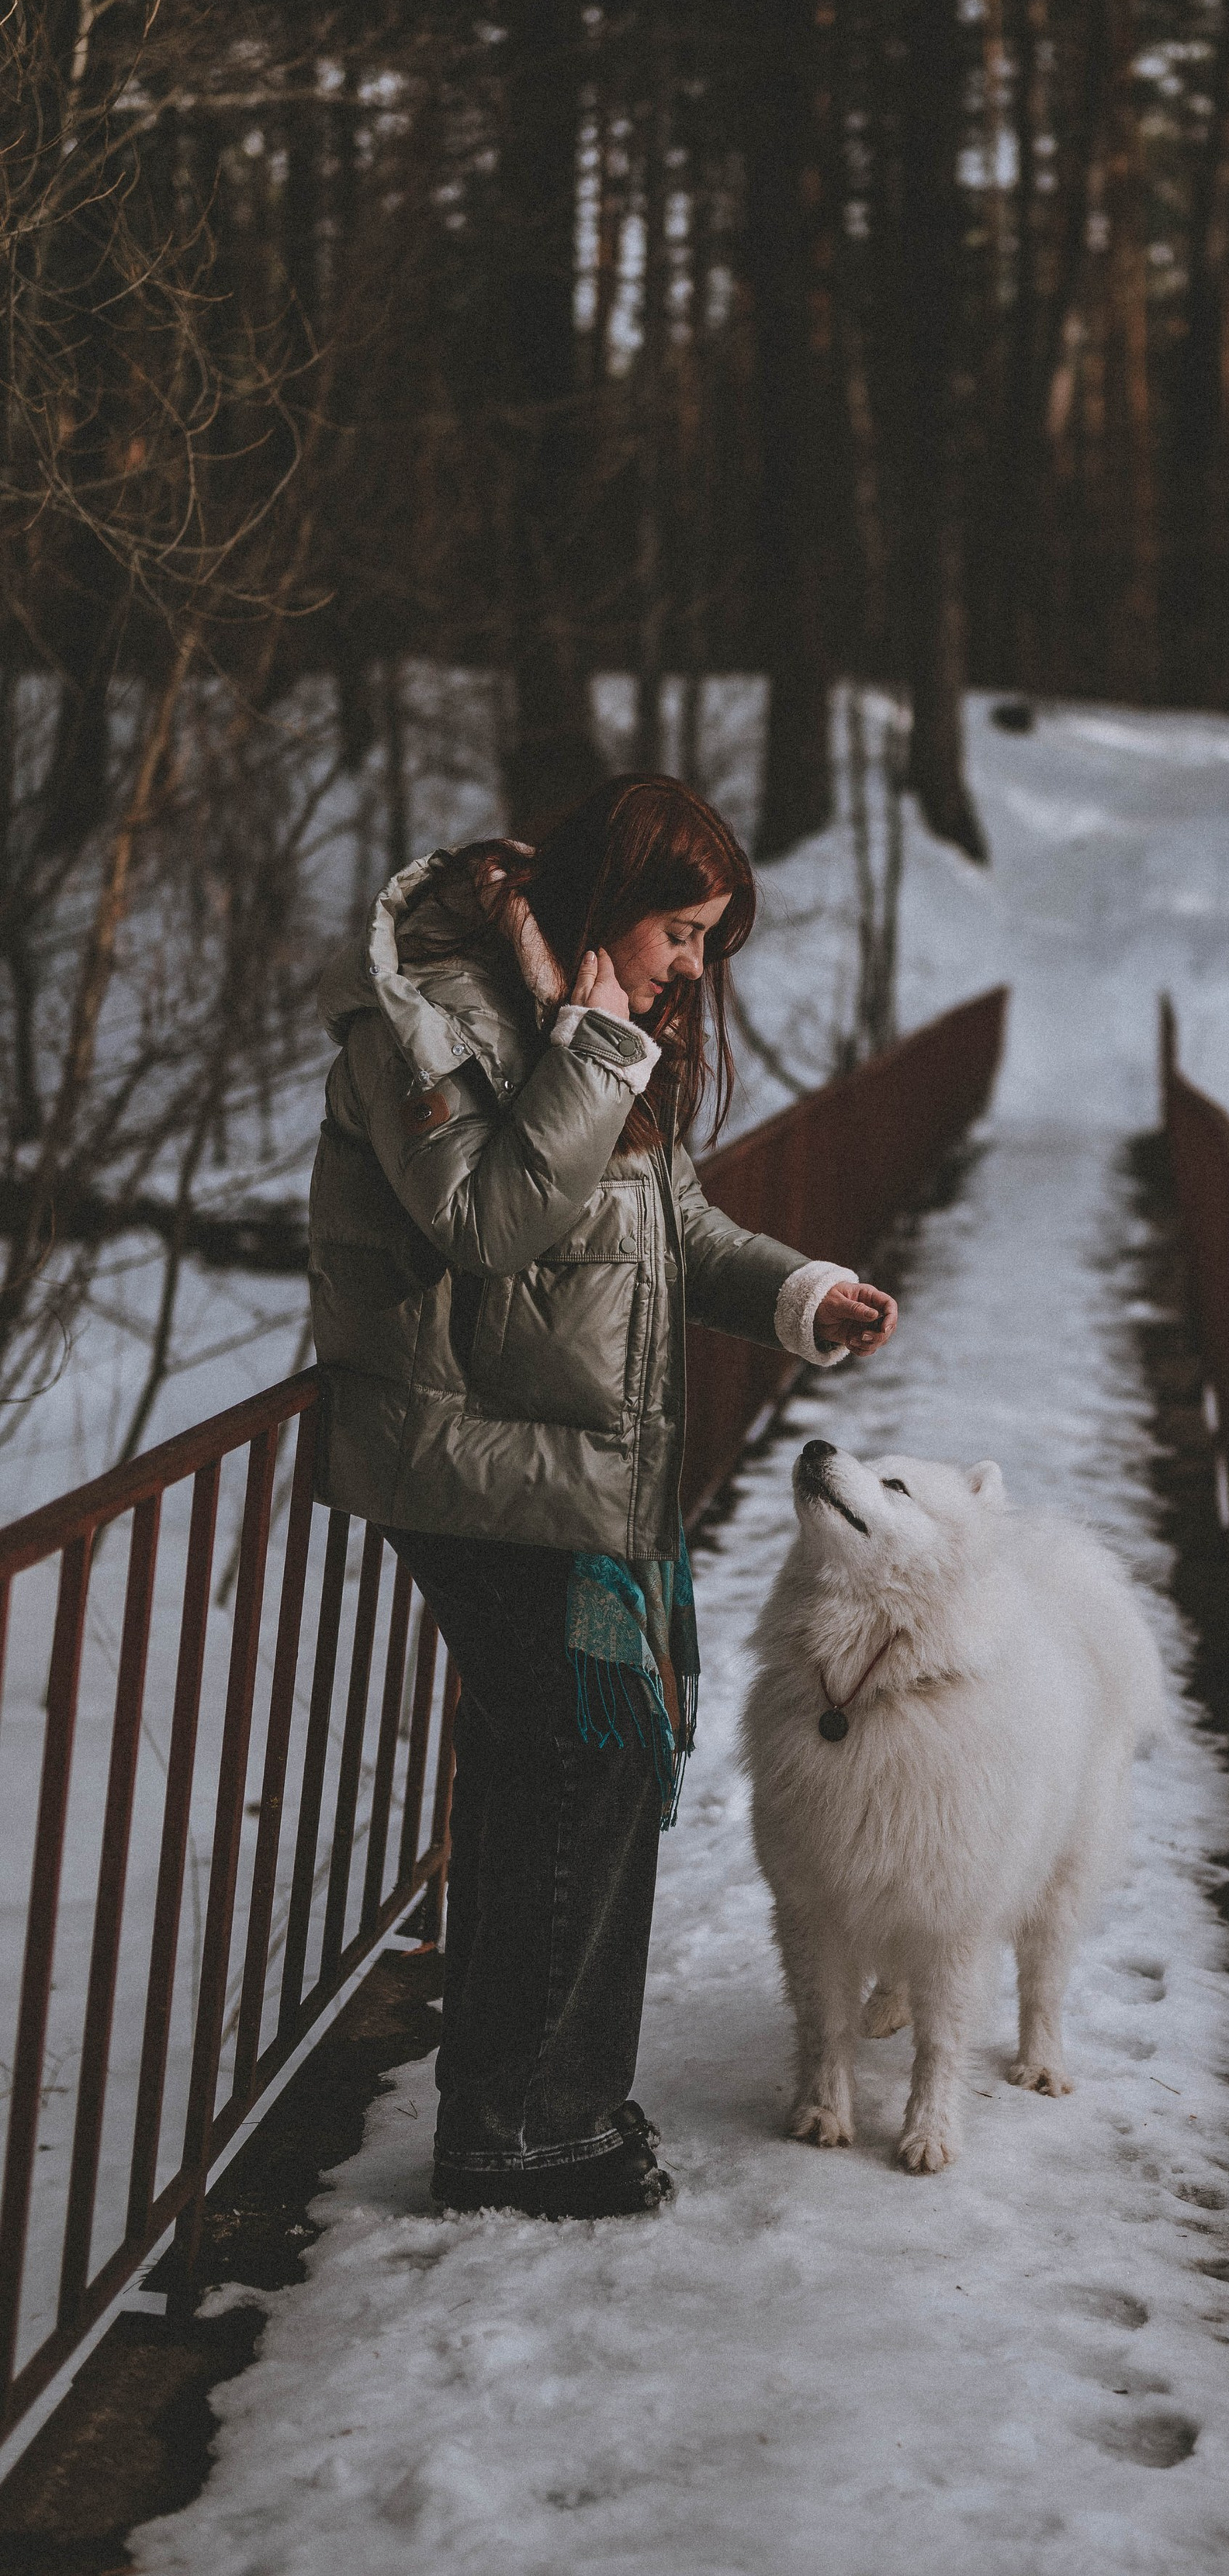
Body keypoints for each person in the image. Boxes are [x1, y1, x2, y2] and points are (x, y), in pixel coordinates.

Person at [306, 773, 897, 2219]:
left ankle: (546, 2107)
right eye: (681, 930)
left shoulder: (600, 1031)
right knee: (578, 1763)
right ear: (602, 902)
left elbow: (667, 1221)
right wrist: (593, 1046)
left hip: (574, 1459)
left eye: (707, 941)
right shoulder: (427, 1013)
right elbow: (487, 1223)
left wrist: (802, 1294)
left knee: (568, 1773)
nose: (691, 966)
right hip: (474, 1461)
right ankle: (520, 2127)